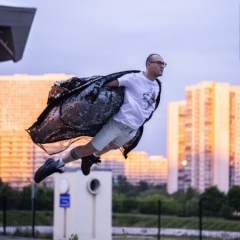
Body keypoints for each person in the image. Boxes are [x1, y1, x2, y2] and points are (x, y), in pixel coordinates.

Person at [34, 53, 167, 183]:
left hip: (133, 129)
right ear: (148, 64)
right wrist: (91, 93)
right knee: (88, 149)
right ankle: (55, 164)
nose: (162, 66)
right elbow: (105, 84)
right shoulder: (133, 78)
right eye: (159, 63)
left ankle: (91, 158)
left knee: (113, 146)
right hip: (118, 124)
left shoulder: (157, 85)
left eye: (164, 64)